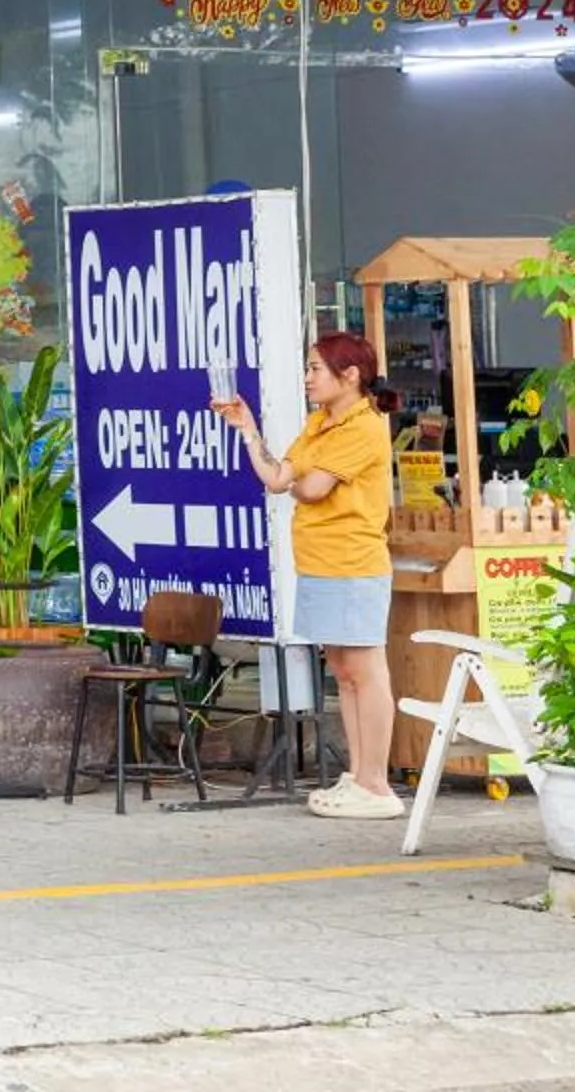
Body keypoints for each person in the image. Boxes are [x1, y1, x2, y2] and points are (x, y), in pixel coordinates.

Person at [213, 332, 402, 819]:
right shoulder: (320, 423)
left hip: (354, 563)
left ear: (350, 376)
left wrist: (299, 476)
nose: (308, 378)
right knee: (343, 669)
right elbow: (278, 480)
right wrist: (249, 430)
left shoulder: (365, 426)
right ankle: (359, 776)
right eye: (308, 368)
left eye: (316, 368)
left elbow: (312, 488)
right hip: (318, 561)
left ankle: (377, 784)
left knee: (365, 668)